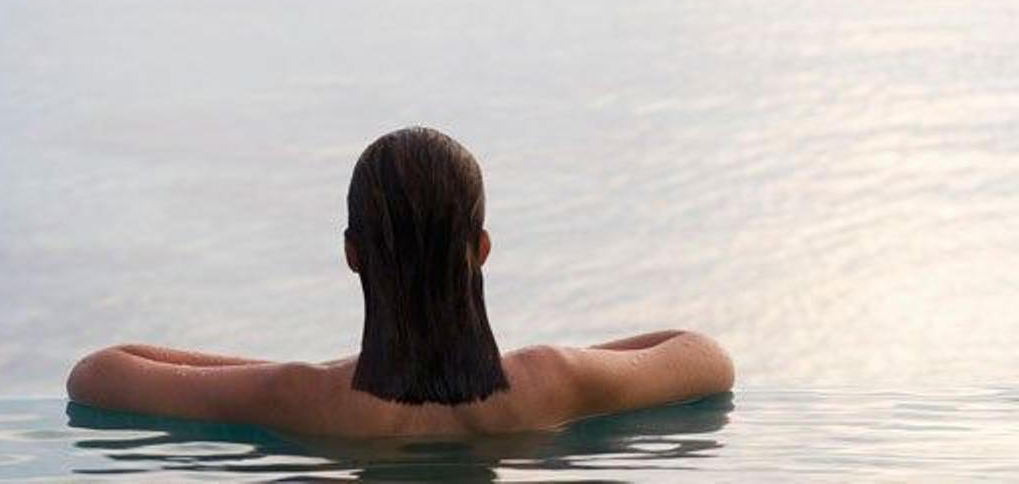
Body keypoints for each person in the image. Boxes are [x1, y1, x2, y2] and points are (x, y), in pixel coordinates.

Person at [67, 127, 734, 437]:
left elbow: (98, 373)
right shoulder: (551, 382)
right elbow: (704, 355)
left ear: (353, 254)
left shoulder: (300, 397)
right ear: (482, 249)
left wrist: (303, 374)